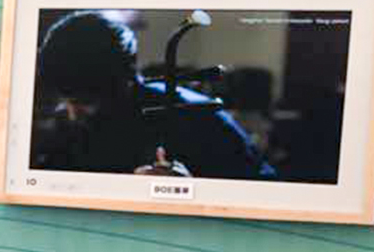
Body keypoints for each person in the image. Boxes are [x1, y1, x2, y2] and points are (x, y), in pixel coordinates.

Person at [31, 11, 275, 180]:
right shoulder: (64, 126)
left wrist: (192, 189)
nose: (72, 114)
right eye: (65, 101)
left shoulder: (199, 119)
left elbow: (264, 189)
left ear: (125, 81)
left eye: (85, 102)